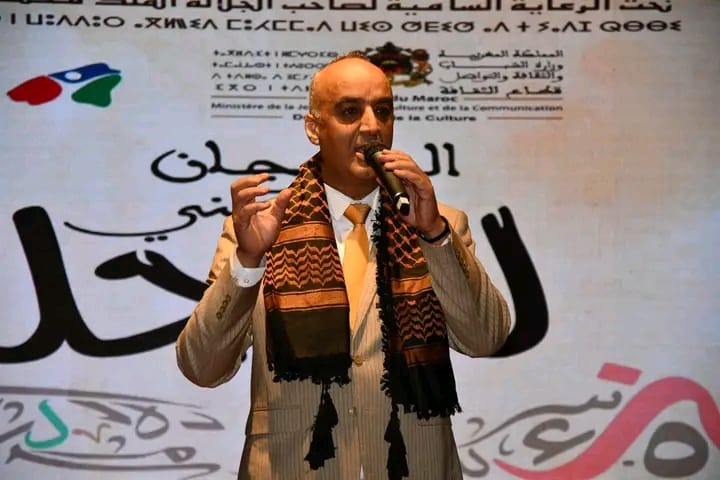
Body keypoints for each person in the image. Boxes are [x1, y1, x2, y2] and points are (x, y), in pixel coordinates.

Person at [176, 51, 511, 480]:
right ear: (314, 127)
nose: (371, 127)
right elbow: (202, 368)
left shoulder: (438, 223)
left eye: (383, 111)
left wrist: (435, 235)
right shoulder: (259, 230)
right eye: (350, 111)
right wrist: (248, 261)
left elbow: (486, 338)